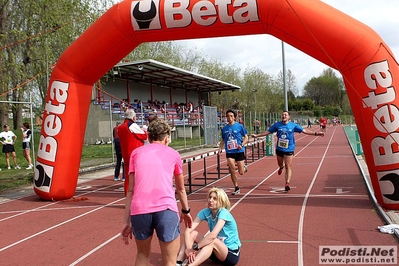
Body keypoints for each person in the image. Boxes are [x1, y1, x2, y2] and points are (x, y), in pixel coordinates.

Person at [120, 119, 193, 266]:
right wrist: (186, 210)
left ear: (148, 137)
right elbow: (180, 189)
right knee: (170, 261)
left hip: (140, 210)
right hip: (166, 209)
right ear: (167, 138)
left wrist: (126, 221)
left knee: (142, 255)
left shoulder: (136, 153)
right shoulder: (174, 154)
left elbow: (130, 191)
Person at [251, 111, 324, 191]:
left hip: (289, 148)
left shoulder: (293, 125)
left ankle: (287, 183)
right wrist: (257, 135)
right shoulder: (277, 125)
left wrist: (316, 133)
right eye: (282, 115)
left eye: (285, 115)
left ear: (289, 117)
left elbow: (304, 131)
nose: (283, 116)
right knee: (280, 164)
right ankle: (281, 167)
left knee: (288, 166)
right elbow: (268, 132)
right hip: (279, 148)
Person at [176, 187, 241, 266]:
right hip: (214, 252)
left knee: (212, 240)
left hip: (230, 254)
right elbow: (187, 231)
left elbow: (213, 235)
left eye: (215, 198)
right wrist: (189, 250)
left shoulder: (224, 213)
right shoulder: (205, 212)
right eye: (210, 197)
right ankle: (178, 262)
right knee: (193, 234)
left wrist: (194, 248)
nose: (210, 200)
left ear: (221, 201)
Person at [218, 109, 248, 195]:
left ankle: (244, 168)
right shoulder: (224, 129)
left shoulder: (239, 126)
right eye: (228, 116)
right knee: (232, 169)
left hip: (239, 150)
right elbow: (223, 140)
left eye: (231, 116)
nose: (229, 118)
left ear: (234, 117)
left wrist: (241, 144)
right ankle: (236, 187)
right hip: (230, 152)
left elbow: (246, 137)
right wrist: (220, 148)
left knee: (241, 172)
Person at [118, 109, 148, 194]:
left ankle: (128, 196)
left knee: (128, 177)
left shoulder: (120, 127)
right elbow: (144, 136)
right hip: (135, 154)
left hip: (126, 154)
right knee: (139, 176)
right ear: (133, 117)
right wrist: (144, 130)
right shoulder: (132, 125)